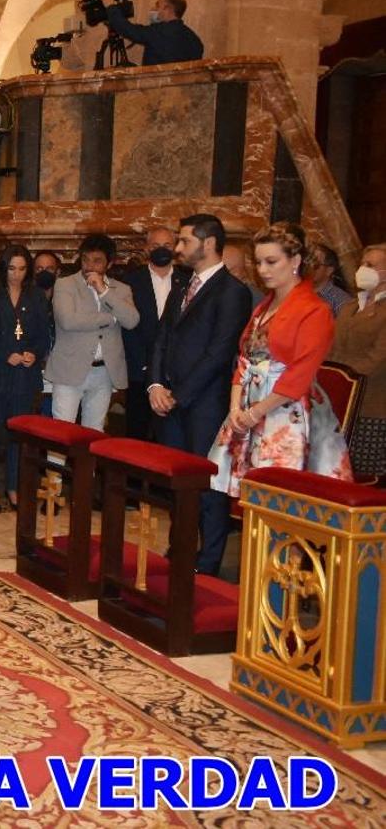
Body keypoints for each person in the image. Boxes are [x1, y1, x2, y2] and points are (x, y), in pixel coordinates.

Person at [208, 224, 353, 573]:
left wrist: (257, 410)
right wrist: (235, 409)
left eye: (271, 261)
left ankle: (281, 580)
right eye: (259, 263)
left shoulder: (314, 309)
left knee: (284, 500)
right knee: (255, 499)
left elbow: (299, 375)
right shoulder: (265, 307)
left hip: (286, 414)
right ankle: (259, 574)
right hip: (250, 408)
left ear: (296, 261)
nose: (264, 270)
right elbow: (244, 359)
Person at [148, 214, 253, 576]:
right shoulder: (181, 286)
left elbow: (219, 353)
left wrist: (179, 394)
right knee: (177, 482)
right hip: (171, 400)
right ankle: (179, 550)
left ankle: (207, 562)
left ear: (208, 244)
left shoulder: (233, 292)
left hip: (205, 404)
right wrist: (156, 385)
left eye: (185, 241)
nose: (177, 248)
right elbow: (162, 338)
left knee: (208, 486)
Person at [0, 245, 50, 511]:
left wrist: (34, 353)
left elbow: (45, 334)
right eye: (11, 268)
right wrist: (4, 353)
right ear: (3, 268)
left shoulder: (36, 296)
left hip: (25, 375)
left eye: (21, 269)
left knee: (19, 435)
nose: (16, 275)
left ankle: (14, 487)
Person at [45, 233, 140, 431]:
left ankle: (86, 464)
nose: (89, 266)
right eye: (85, 260)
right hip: (69, 369)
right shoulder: (65, 284)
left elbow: (131, 320)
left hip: (104, 372)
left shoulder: (121, 290)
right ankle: (54, 464)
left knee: (94, 431)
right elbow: (68, 321)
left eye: (97, 261)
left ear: (109, 263)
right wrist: (110, 319)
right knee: (60, 430)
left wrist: (104, 292)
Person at [120, 227, 187, 440]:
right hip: (139, 372)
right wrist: (144, 363)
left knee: (172, 437)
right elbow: (127, 328)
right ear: (147, 248)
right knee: (137, 436)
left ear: (175, 248)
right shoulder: (130, 282)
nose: (161, 250)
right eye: (156, 246)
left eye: (167, 245)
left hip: (176, 374)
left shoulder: (188, 280)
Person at [329, 244, 386, 477]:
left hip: (371, 405)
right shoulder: (350, 307)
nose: (364, 269)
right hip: (337, 404)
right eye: (363, 263)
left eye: (372, 266)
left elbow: (378, 358)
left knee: (363, 474)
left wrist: (345, 378)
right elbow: (331, 346)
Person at [105, 0, 204, 66]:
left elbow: (130, 30)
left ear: (167, 8)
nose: (153, 9)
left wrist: (112, 9)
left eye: (157, 5)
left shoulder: (159, 32)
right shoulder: (195, 40)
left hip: (156, 91)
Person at [33, 249, 63, 417]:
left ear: (58, 272)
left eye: (49, 269)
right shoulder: (27, 299)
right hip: (36, 369)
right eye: (39, 269)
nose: (44, 273)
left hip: (61, 371)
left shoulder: (67, 299)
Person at [309, 242, 352, 317]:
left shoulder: (340, 300)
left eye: (316, 264)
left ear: (329, 270)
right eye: (307, 262)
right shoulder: (299, 293)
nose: (309, 267)